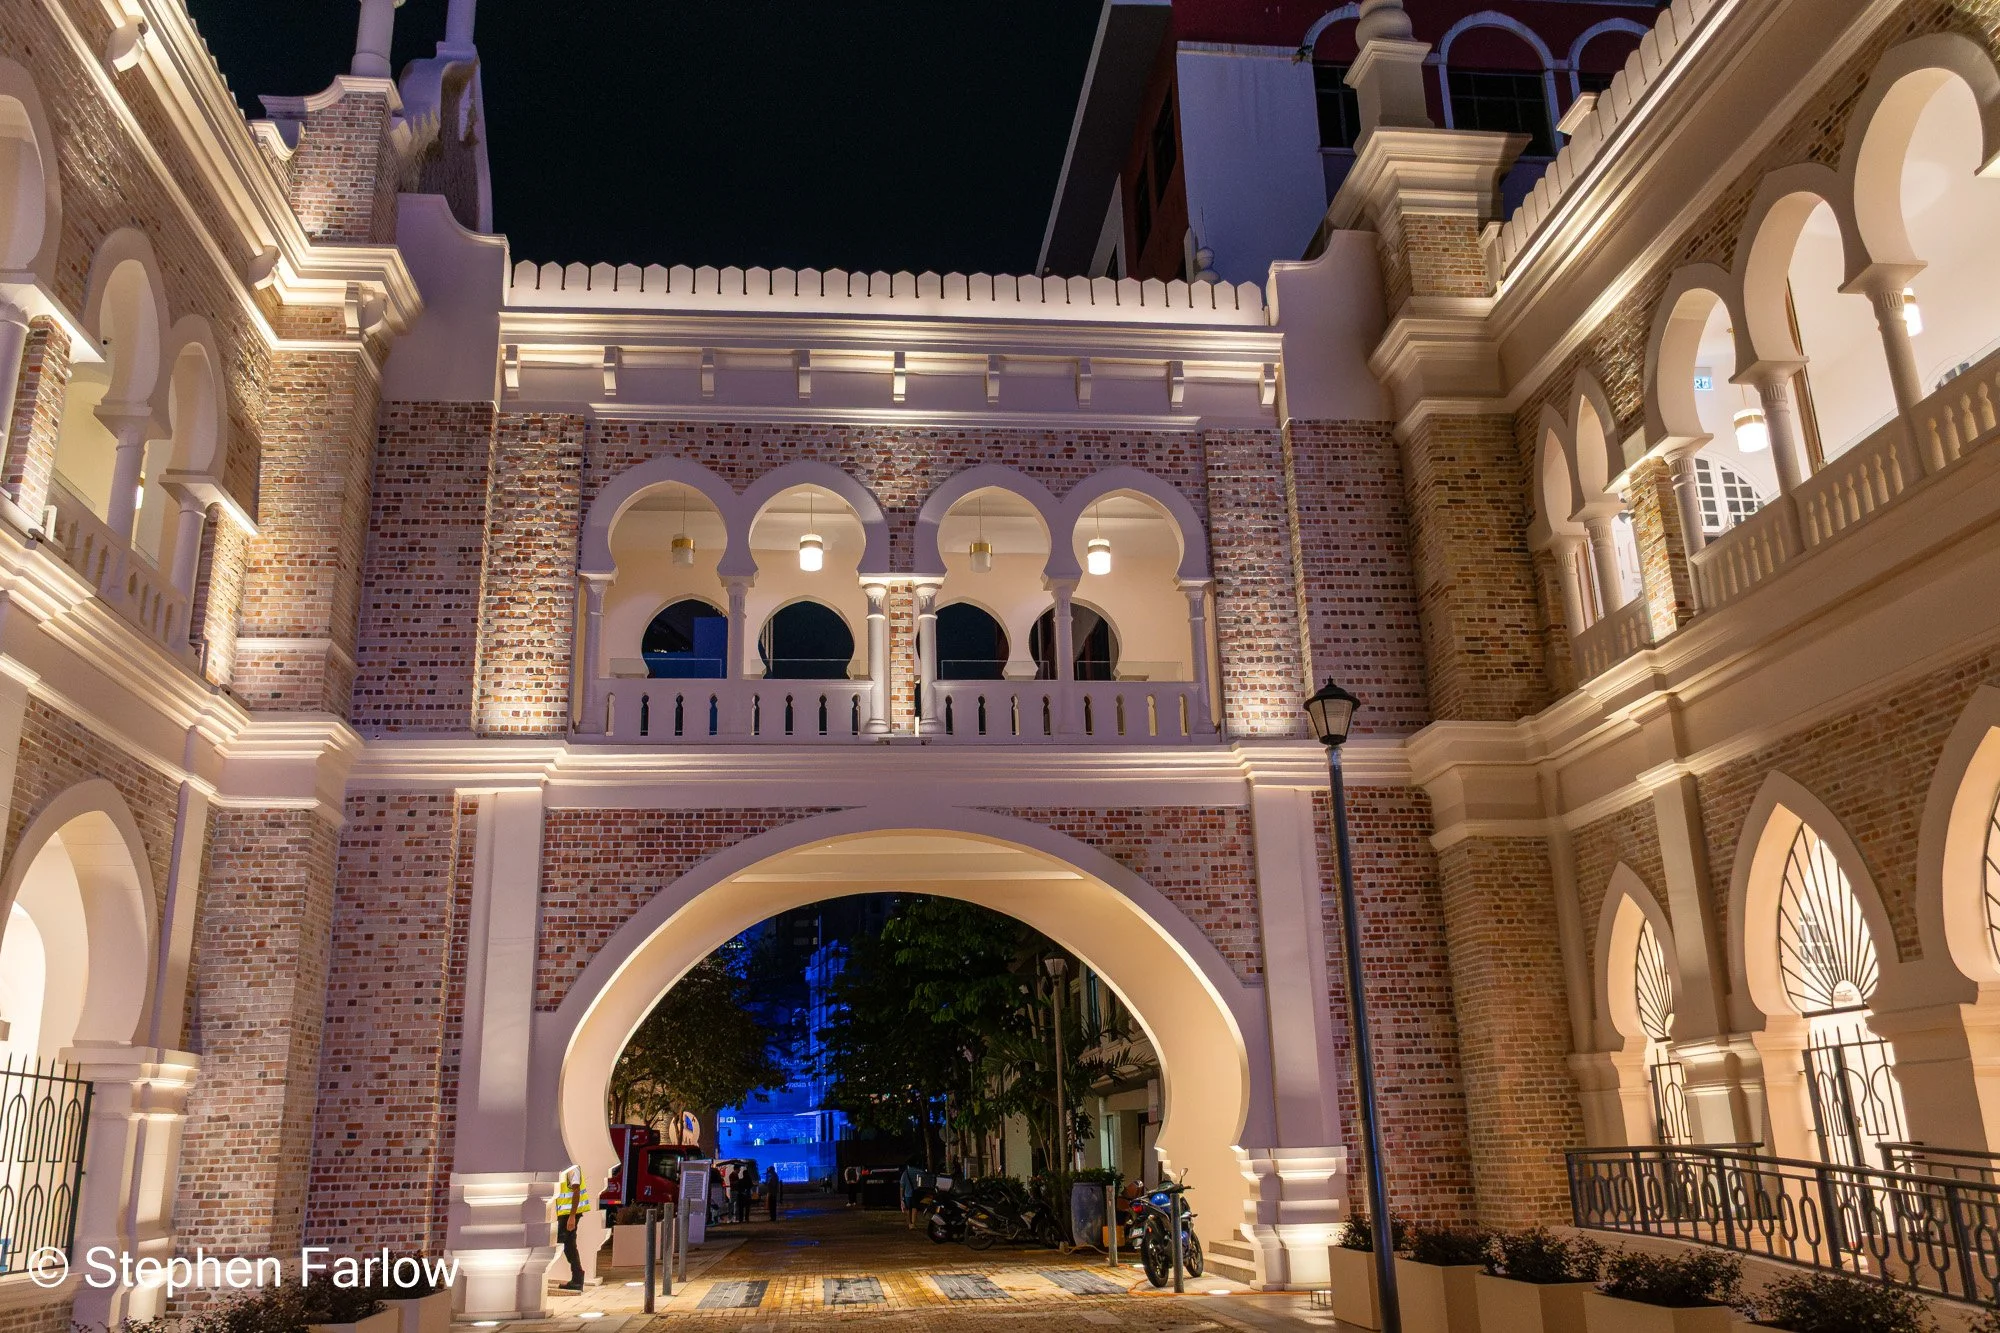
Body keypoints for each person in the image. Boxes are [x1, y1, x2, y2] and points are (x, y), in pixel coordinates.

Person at [552, 1165, 589, 1292]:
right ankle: (577, 1278)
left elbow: (576, 1190)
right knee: (569, 1245)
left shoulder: (572, 1169)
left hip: (569, 1214)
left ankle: (577, 1278)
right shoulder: (566, 1169)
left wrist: (572, 1216)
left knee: (566, 1244)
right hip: (566, 1214)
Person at [900, 1158, 923, 1229]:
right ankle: (913, 1223)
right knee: (914, 1208)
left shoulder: (905, 1173)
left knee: (908, 1209)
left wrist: (901, 1198)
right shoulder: (919, 1172)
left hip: (907, 1194)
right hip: (916, 1193)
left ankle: (909, 1224)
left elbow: (902, 1187)